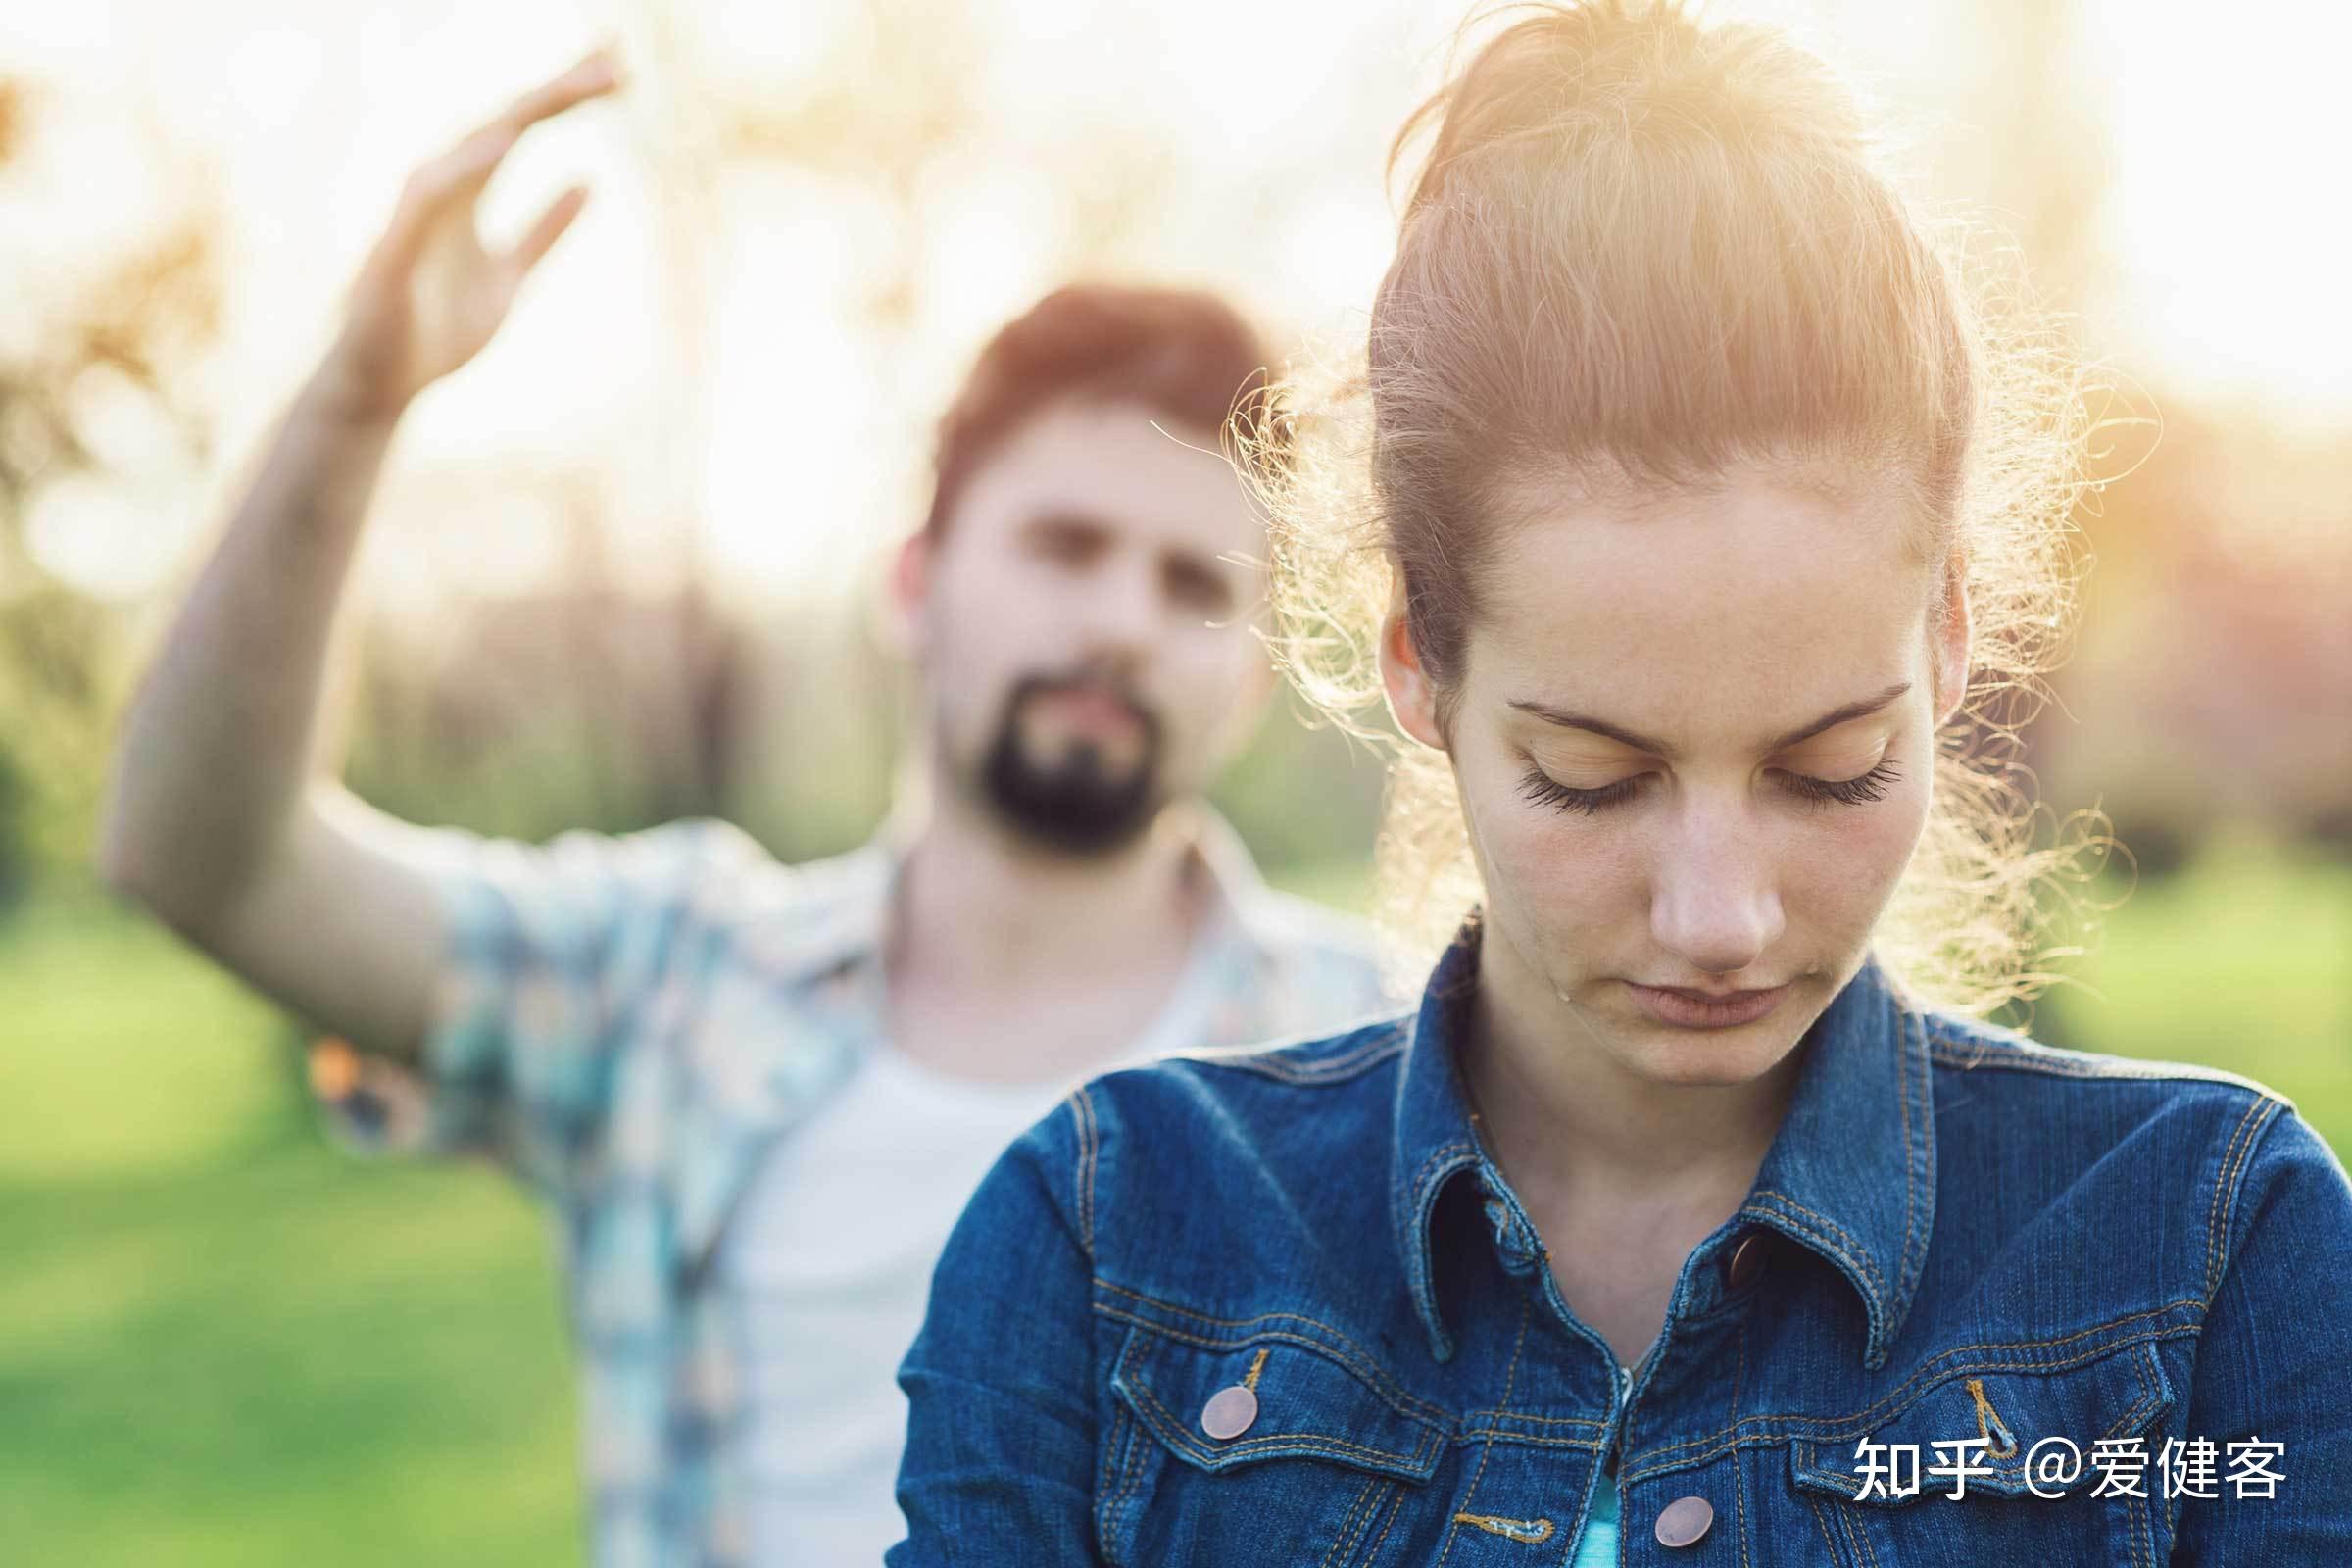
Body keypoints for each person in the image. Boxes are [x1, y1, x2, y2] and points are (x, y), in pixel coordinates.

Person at [889, 3, 2352, 1562]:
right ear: (1415, 663)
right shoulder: (1109, 1243)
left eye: (1831, 768)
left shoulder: (2210, 1254)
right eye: (1591, 778)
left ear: (1950, 642)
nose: (1721, 915)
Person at [95, 50, 1390, 1568]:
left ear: (1250, 677)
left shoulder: (1379, 1063)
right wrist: (354, 400)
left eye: (1192, 585)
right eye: (1063, 542)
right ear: (913, 581)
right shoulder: (667, 982)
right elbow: (208, 861)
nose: (1117, 618)